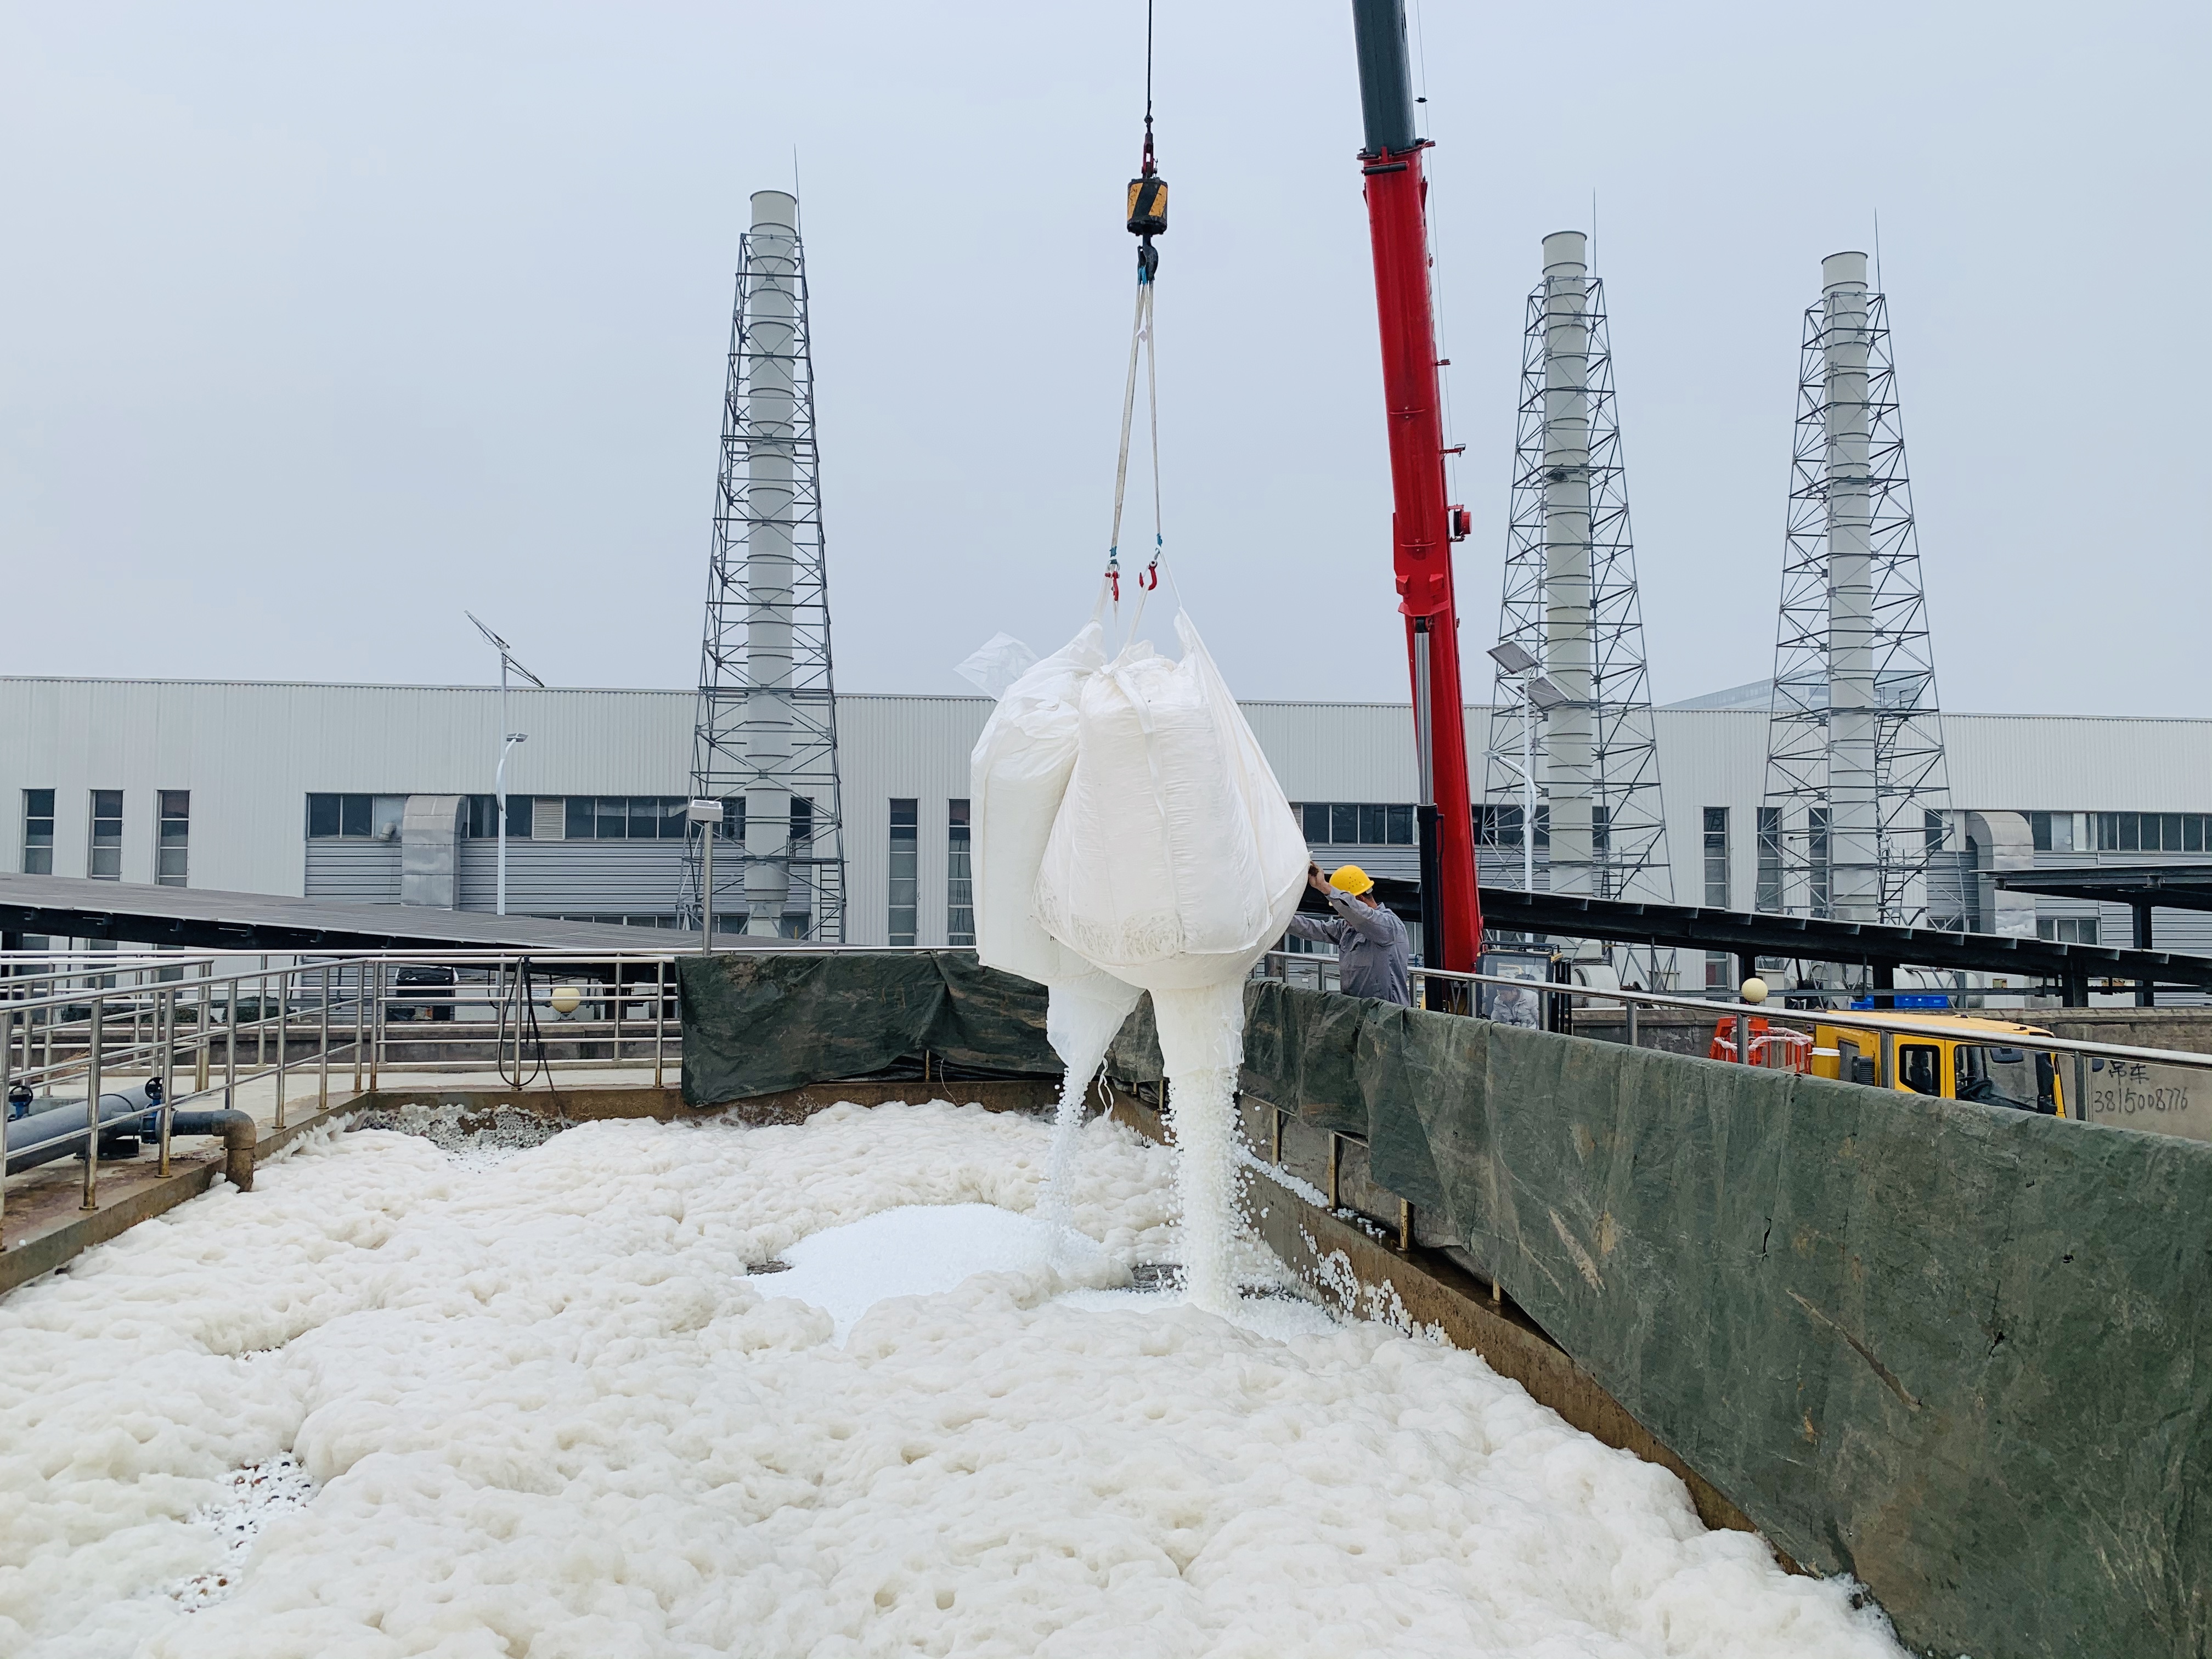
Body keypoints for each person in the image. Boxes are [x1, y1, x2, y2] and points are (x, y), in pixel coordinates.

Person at [1288, 861, 1412, 1006]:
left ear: (1359, 900)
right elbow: (1314, 929)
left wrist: (1325, 888)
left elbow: (1364, 917)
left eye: (1342, 910)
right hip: (1356, 1013)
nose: (1340, 916)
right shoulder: (1349, 929)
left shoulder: (1388, 927)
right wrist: (1279, 917)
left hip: (1386, 1019)